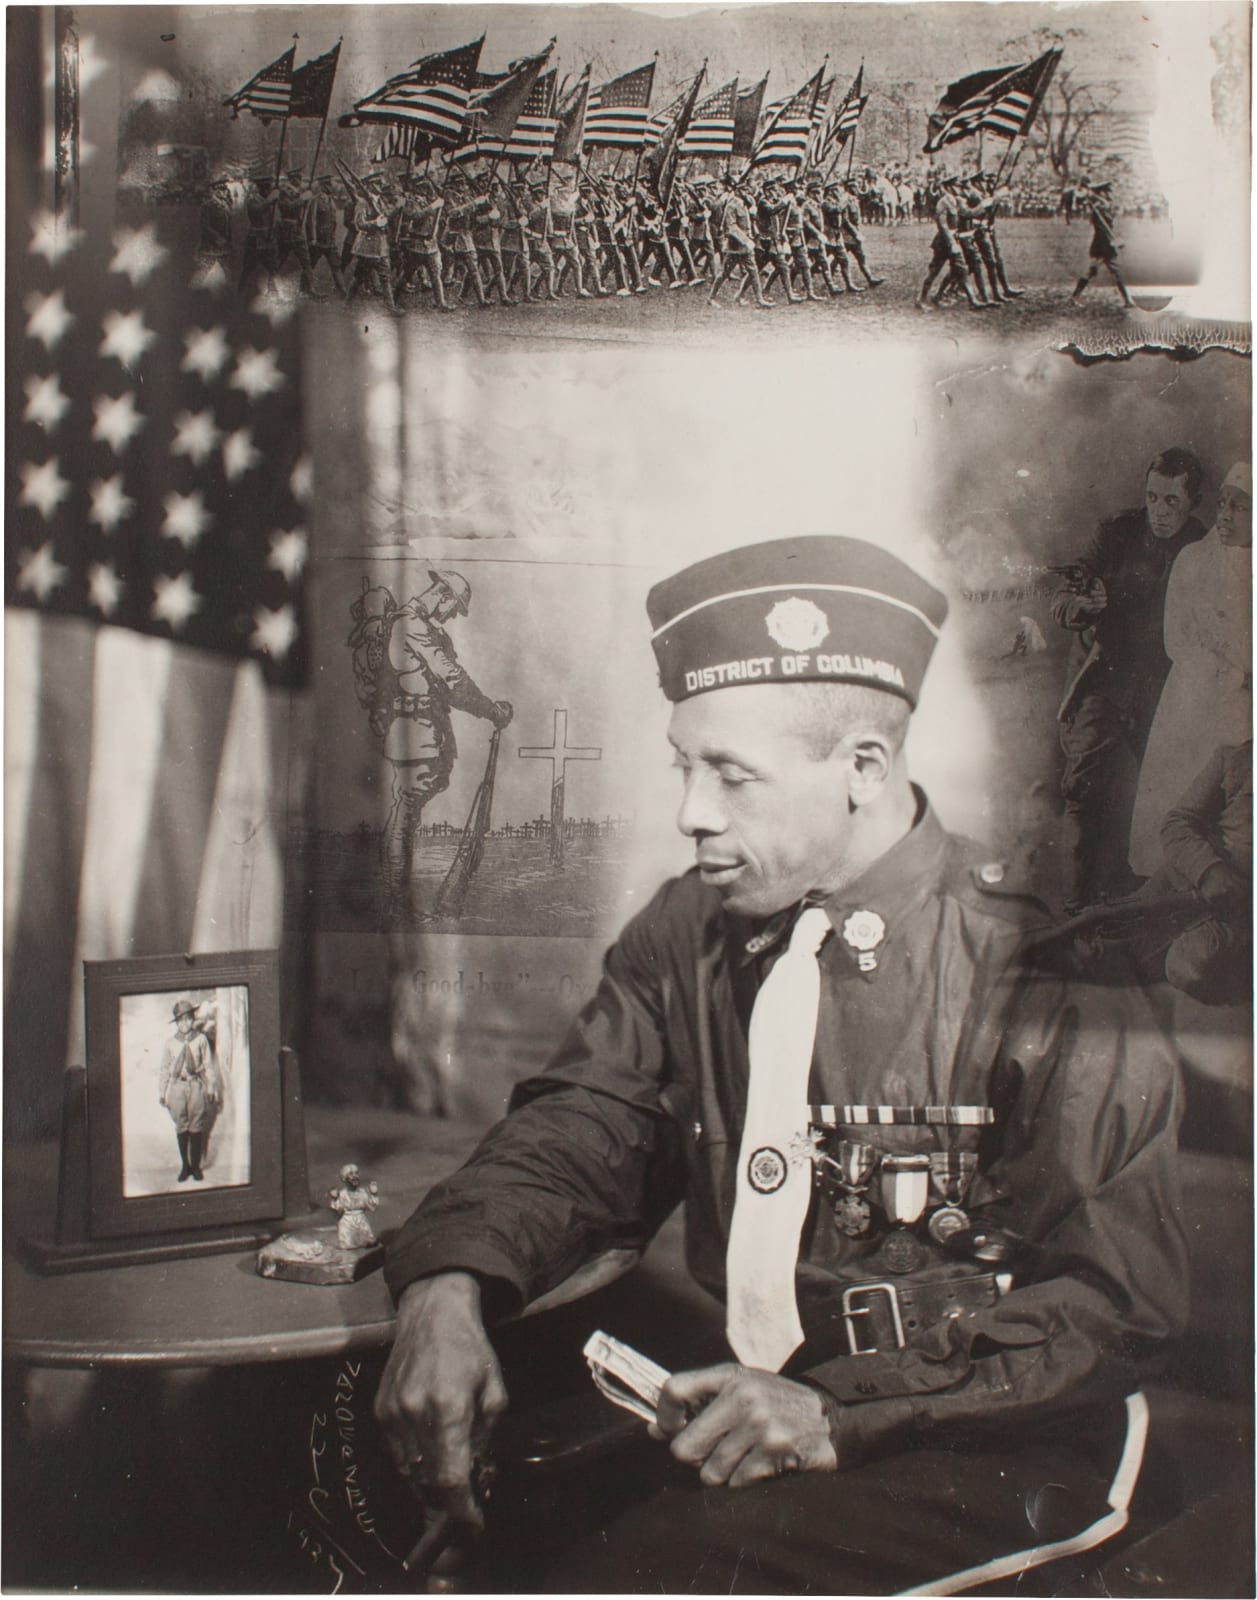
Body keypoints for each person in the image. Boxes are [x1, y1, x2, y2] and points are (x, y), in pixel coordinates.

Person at [374, 536, 1186, 1594]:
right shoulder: (688, 929)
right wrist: (443, 1282)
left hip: (1008, 1440)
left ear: (861, 770)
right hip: (758, 1401)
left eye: (732, 775)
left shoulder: (1044, 969)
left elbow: (1115, 1300)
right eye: (685, 764)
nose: (691, 813)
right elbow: (582, 1123)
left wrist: (838, 1411)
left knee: (646, 1579)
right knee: (448, 1526)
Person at [1053, 448, 1206, 911]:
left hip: (1168, 684)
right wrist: (1084, 606)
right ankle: (1076, 902)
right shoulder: (1117, 531)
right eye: (1152, 497)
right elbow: (1066, 596)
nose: (1159, 512)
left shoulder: (1202, 545)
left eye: (1171, 503)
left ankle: (1149, 903)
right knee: (1083, 780)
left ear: (1193, 502)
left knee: (1174, 791)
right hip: (1109, 673)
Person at [358, 569, 513, 925]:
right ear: (441, 593)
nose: (453, 616)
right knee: (406, 812)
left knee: (407, 814)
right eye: (453, 607)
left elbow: (447, 690)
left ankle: (396, 903)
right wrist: (490, 709)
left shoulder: (423, 627)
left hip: (426, 731)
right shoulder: (411, 624)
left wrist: (487, 710)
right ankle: (394, 905)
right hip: (416, 732)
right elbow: (452, 679)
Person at [1130, 462, 1252, 874]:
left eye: (1240, 507)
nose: (1225, 516)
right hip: (1193, 701)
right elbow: (1176, 641)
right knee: (1179, 801)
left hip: (1246, 709)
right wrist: (1233, 674)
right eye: (1222, 505)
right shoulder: (1194, 560)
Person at [158, 998, 218, 1184]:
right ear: (176, 1022)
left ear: (193, 1019)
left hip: (195, 1086)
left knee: (196, 1125)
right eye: (180, 1019)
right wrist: (163, 1091)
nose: (185, 1023)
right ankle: (185, 1165)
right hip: (177, 1087)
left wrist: (210, 1088)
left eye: (188, 1018)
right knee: (181, 1125)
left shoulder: (200, 1040)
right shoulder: (170, 1043)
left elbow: (208, 1065)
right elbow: (165, 1069)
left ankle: (196, 1166)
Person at [1071, 180, 1135, 308]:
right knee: (1096, 271)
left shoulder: (1102, 206)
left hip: (1105, 243)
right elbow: (1104, 227)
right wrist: (1089, 193)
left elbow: (1107, 212)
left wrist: (1092, 194)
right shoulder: (1099, 208)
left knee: (1108, 271)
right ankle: (1074, 296)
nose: (1110, 195)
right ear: (1103, 193)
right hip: (1102, 244)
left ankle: (1127, 301)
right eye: (1107, 192)